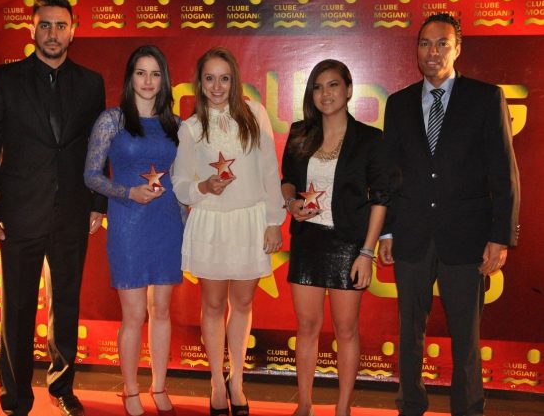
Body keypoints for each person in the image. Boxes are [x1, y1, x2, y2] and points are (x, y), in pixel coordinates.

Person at [0, 0, 106, 416]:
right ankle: (15, 398)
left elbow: (97, 151)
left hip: (71, 212)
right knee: (17, 308)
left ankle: (62, 387)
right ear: (32, 28)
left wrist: (98, 203)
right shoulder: (4, 79)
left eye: (60, 25)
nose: (52, 33)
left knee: (65, 303)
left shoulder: (90, 83)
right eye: (44, 24)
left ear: (74, 31)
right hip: (17, 213)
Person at [379, 13, 520, 416]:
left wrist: (500, 236)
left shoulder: (486, 98)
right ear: (416, 50)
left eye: (442, 43)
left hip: (469, 238)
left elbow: (504, 173)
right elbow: (390, 174)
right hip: (411, 236)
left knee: (466, 336)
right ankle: (410, 404)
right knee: (409, 333)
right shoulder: (399, 103)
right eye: (425, 43)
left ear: (458, 48)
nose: (433, 52)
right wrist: (387, 231)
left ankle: (468, 408)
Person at [171, 47, 285, 416]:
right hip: (211, 223)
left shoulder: (255, 114)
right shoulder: (190, 128)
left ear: (234, 80)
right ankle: (216, 382)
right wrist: (203, 187)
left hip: (250, 221)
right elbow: (179, 184)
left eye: (224, 78)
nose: (217, 86)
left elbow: (270, 171)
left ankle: (237, 379)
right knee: (213, 304)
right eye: (209, 78)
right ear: (199, 83)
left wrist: (273, 221)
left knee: (243, 303)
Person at [281, 60, 390, 416]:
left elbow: (380, 199)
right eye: (318, 87)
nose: (325, 94)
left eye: (333, 85)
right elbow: (287, 179)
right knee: (307, 326)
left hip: (349, 245)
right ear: (311, 93)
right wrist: (291, 202)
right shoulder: (300, 132)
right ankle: (305, 403)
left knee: (346, 330)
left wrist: (366, 252)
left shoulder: (370, 139)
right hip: (307, 243)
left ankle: (343, 407)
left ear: (348, 90)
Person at [84, 45, 182, 416]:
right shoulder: (112, 120)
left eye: (155, 74)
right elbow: (91, 175)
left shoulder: (175, 123)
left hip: (166, 223)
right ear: (130, 77)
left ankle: (159, 386)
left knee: (162, 312)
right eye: (141, 73)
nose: (148, 81)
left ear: (164, 80)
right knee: (134, 314)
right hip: (127, 223)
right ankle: (129, 390)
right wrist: (127, 192)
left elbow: (182, 178)